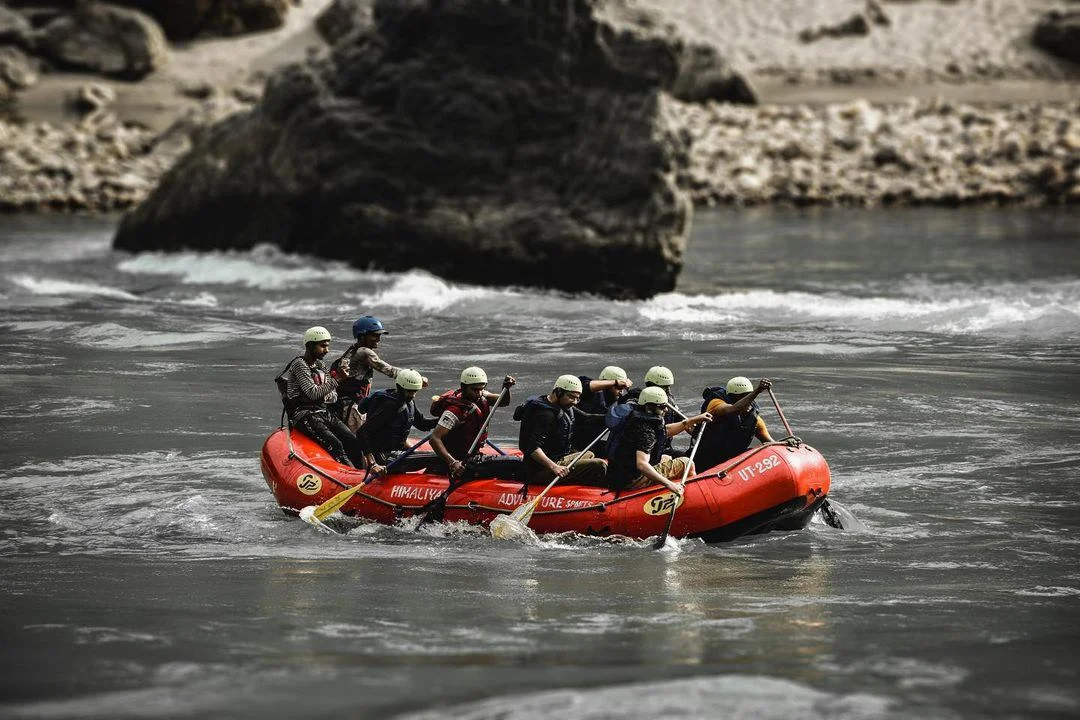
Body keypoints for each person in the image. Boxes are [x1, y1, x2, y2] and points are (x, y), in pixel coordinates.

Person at [276, 326, 364, 467]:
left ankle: (364, 474)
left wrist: (329, 388)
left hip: (323, 412)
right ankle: (349, 477)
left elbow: (333, 396)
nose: (327, 350)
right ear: (310, 345)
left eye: (327, 346)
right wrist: (338, 380)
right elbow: (313, 393)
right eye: (322, 346)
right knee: (336, 444)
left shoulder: (320, 365)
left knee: (352, 440)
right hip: (304, 415)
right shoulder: (299, 365)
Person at [604, 386, 711, 495]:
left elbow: (665, 431)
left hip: (618, 475)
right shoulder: (646, 430)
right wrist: (670, 484)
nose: (666, 410)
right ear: (649, 407)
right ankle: (693, 496)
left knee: (667, 457)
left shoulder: (634, 417)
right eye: (662, 407)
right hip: (632, 480)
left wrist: (692, 420)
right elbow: (641, 464)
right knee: (687, 463)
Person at [331, 315, 428, 428]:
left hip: (343, 403)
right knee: (358, 442)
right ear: (362, 336)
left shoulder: (353, 349)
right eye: (374, 335)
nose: (378, 339)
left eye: (379, 335)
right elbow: (389, 370)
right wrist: (417, 378)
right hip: (351, 406)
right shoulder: (364, 352)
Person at [515, 375, 608, 486]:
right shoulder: (544, 414)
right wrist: (555, 467)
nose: (575, 402)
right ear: (558, 392)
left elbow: (587, 418)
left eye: (577, 398)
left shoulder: (563, 406)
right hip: (540, 470)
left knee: (589, 454)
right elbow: (533, 448)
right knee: (599, 465)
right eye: (571, 397)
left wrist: (612, 418)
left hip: (557, 458)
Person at [429, 366, 518, 479]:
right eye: (475, 389)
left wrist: (506, 388)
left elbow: (504, 401)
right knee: (515, 464)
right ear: (464, 387)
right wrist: (453, 463)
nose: (479, 393)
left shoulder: (481, 396)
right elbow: (434, 439)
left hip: (473, 454)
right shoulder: (454, 411)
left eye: (482, 388)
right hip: (460, 460)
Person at [355, 368, 438, 474]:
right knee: (437, 457)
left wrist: (442, 421)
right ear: (400, 388)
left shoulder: (409, 402)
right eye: (409, 391)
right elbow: (361, 432)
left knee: (438, 455)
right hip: (385, 458)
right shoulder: (389, 405)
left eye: (415, 391)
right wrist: (373, 464)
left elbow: (422, 424)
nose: (412, 395)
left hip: (397, 452)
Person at [695, 376, 775, 470]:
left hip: (732, 462)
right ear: (731, 396)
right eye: (741, 396)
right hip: (707, 459)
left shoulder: (753, 417)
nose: (748, 401)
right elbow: (733, 410)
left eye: (748, 395)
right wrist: (757, 391)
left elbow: (769, 442)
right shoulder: (716, 403)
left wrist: (787, 443)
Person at [620, 365, 690, 457]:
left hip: (661, 447)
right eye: (665, 387)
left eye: (668, 387)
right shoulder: (646, 404)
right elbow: (662, 430)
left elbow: (680, 421)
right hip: (651, 450)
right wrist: (687, 424)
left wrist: (692, 425)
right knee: (688, 460)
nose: (668, 391)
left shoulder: (666, 401)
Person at [571, 365, 633, 454]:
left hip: (590, 444)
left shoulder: (610, 401)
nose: (621, 392)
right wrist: (615, 382)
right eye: (619, 388)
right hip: (573, 444)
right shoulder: (591, 393)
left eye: (623, 389)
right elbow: (583, 386)